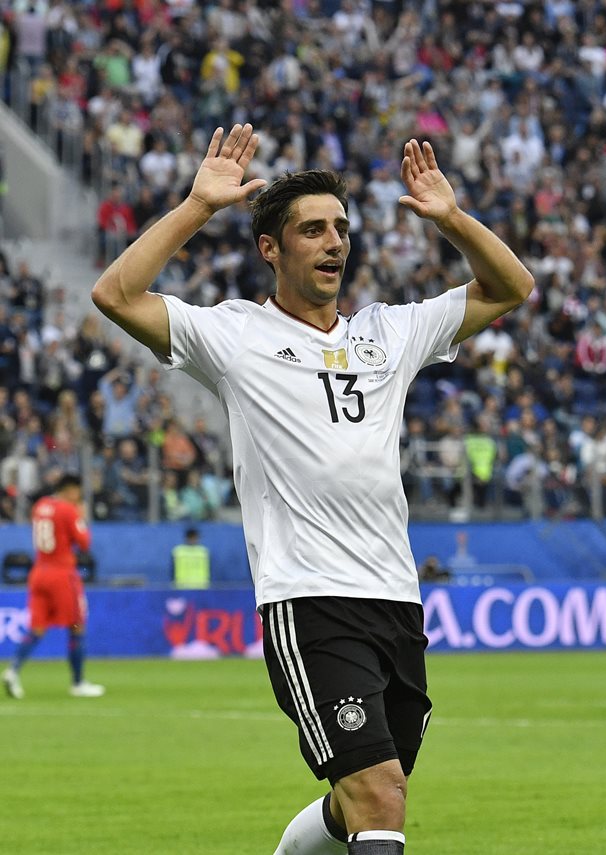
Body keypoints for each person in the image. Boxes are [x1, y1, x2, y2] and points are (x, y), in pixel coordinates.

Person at [91, 124, 533, 855]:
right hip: (310, 596)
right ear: (271, 248)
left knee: (362, 799)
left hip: (396, 595)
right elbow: (116, 293)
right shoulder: (234, 337)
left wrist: (451, 218)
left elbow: (513, 287)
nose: (335, 243)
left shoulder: (390, 333)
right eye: (313, 230)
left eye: (341, 228)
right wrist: (199, 205)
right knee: (378, 789)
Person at [3, 474, 106, 699]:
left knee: (37, 627)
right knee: (77, 625)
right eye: (77, 492)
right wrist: (82, 517)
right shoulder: (68, 510)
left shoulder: (40, 506)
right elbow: (84, 543)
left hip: (39, 572)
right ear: (70, 490)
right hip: (62, 574)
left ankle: (13, 670)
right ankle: (78, 683)